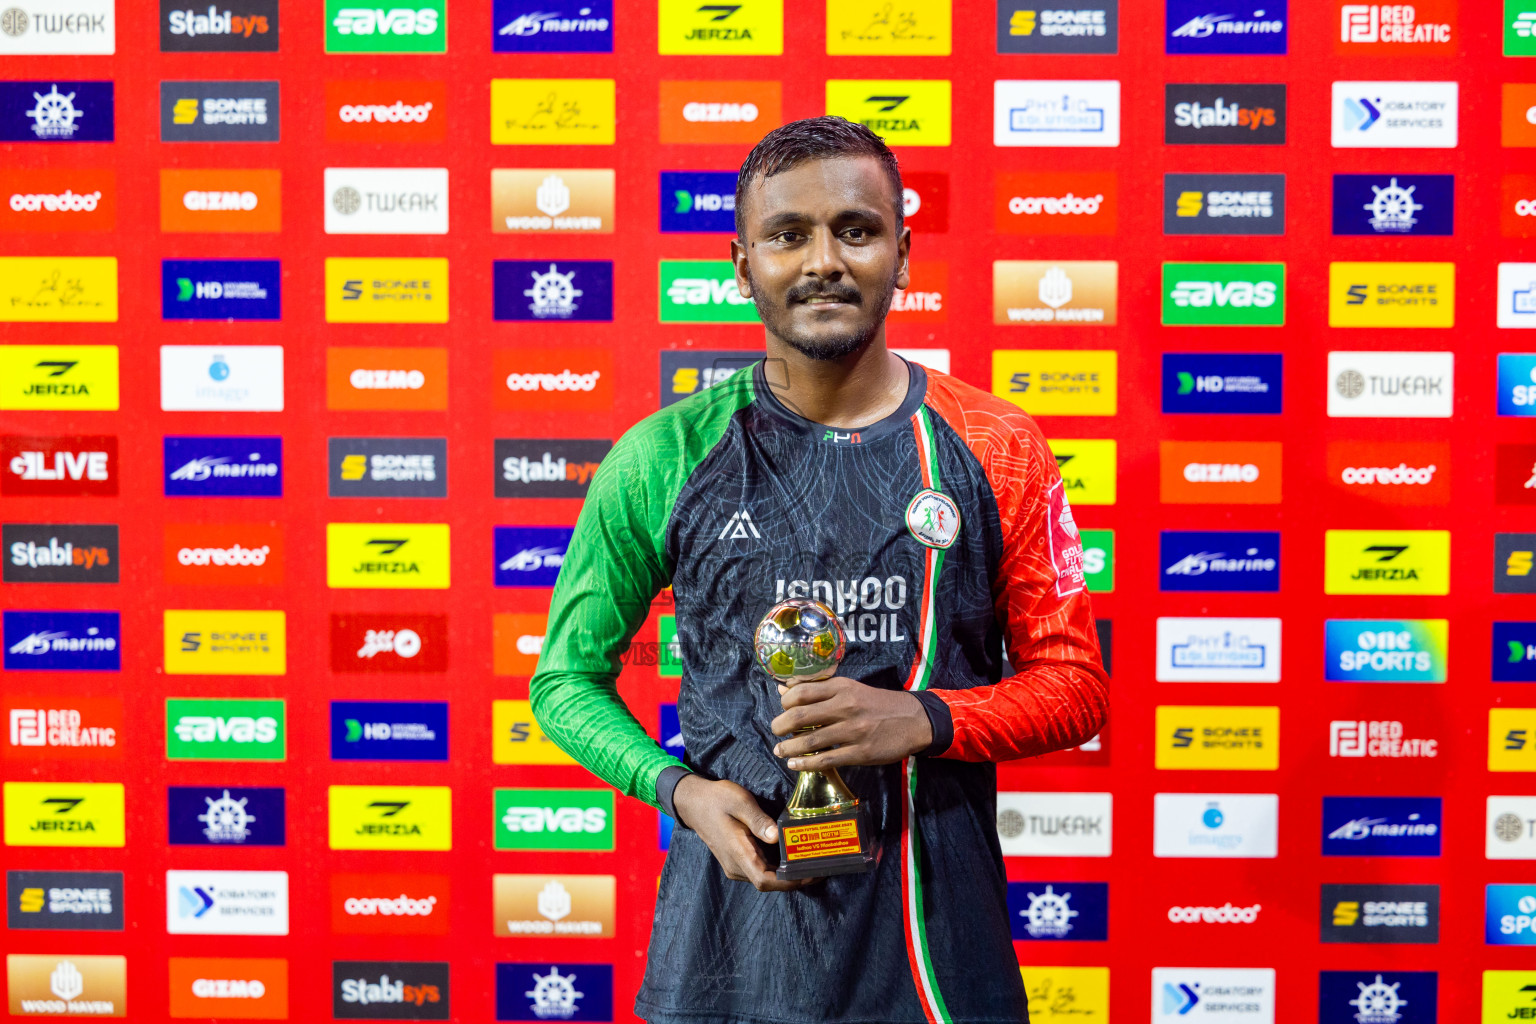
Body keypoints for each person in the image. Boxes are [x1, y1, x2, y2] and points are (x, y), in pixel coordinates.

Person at [531, 116, 1109, 1024]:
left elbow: (1076, 688)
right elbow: (564, 682)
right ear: (741, 262)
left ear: (904, 253)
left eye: (856, 229)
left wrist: (921, 718)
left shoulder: (998, 446)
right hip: (727, 949)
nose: (824, 261)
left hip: (937, 949)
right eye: (787, 234)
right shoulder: (665, 456)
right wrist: (677, 791)